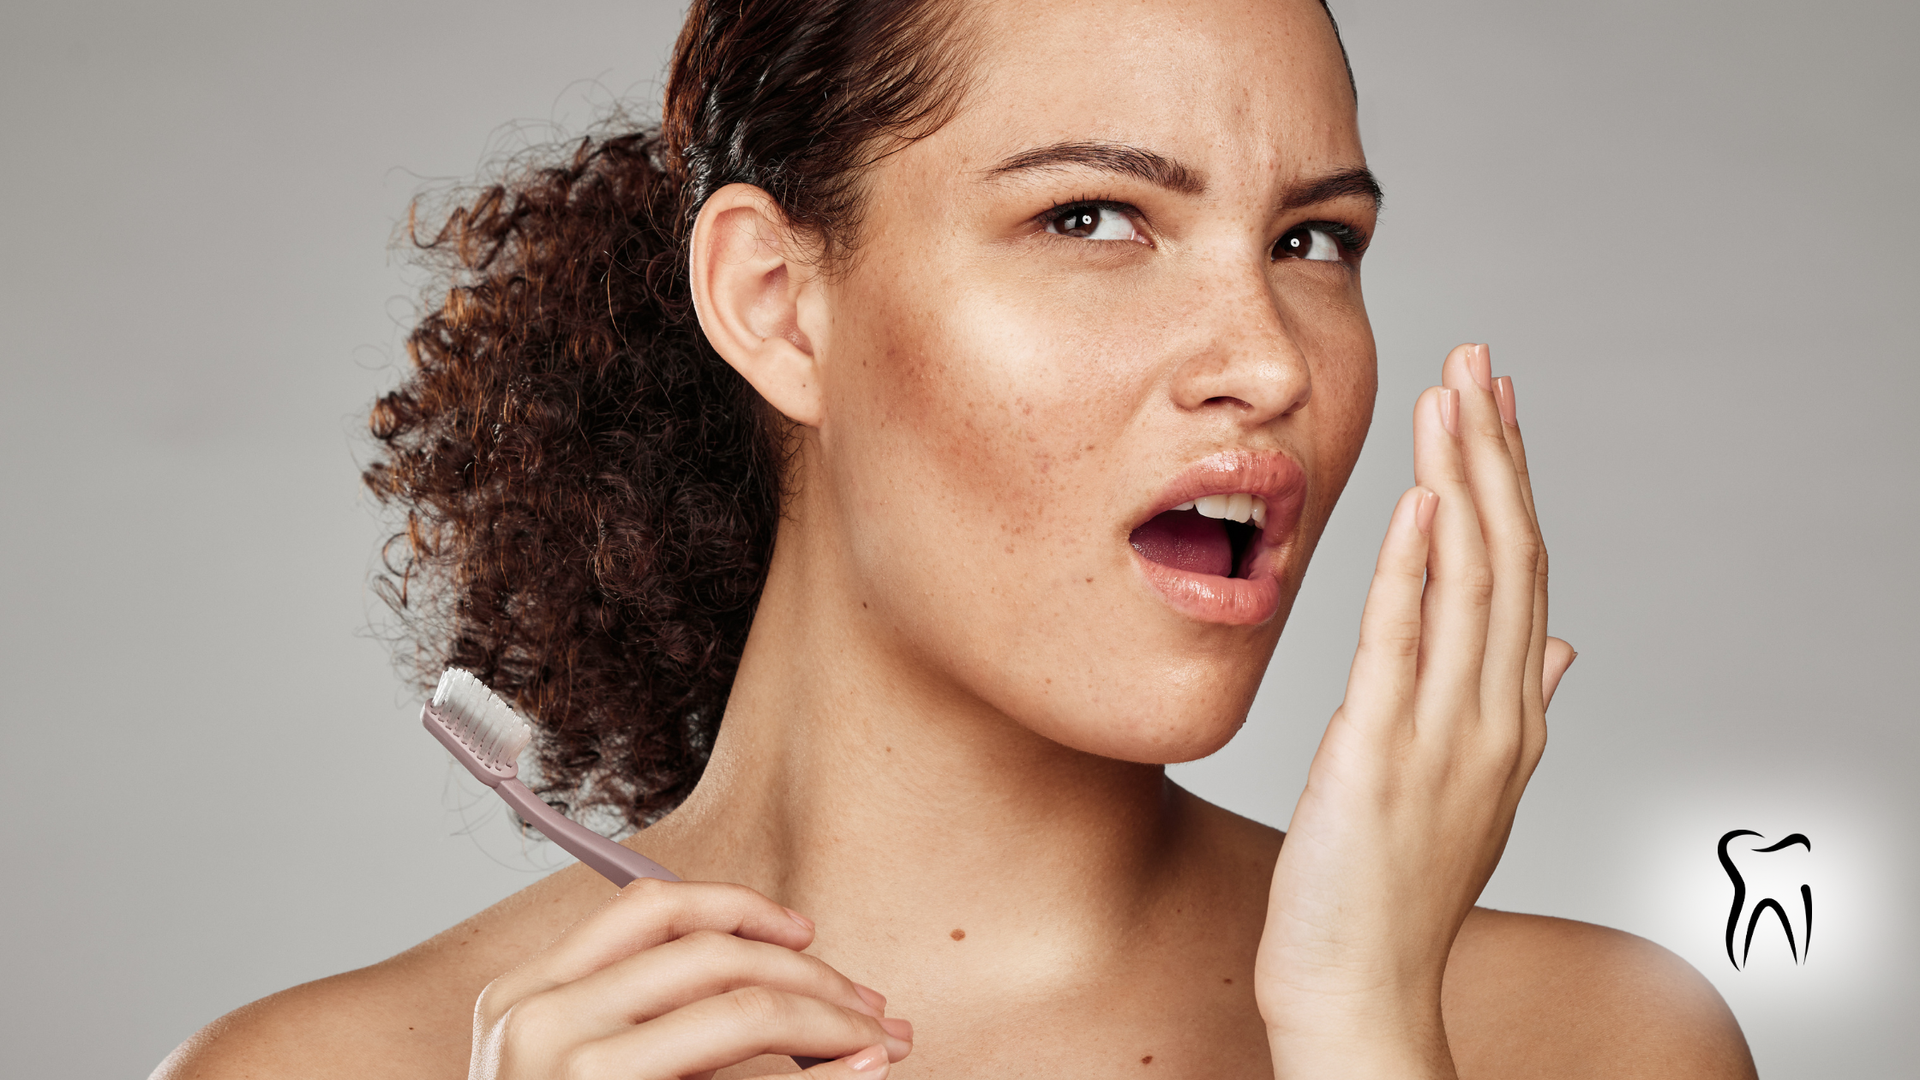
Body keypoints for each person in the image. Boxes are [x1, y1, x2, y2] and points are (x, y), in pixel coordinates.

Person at [155, 0, 1758, 1076]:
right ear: (779, 307)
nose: (1272, 360)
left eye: (1312, 239)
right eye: (1092, 217)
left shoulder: (1588, 1040)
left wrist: (1357, 1032)